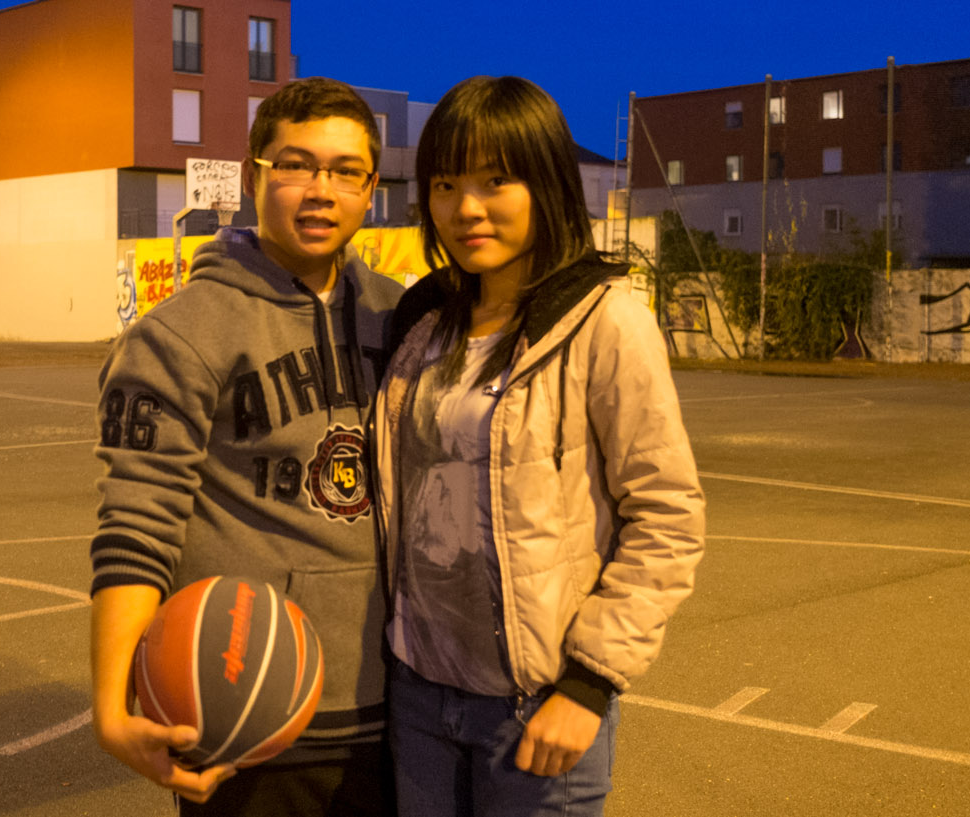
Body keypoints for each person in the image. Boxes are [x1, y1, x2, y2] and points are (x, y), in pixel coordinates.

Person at [372, 75, 706, 816]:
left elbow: (667, 516)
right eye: (446, 183)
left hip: (535, 707)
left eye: (496, 180)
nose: (467, 207)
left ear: (546, 182)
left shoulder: (603, 321)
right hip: (419, 694)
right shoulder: (422, 326)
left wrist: (589, 685)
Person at [88, 77, 404, 815]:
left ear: (369, 190)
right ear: (254, 172)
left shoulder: (403, 318)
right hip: (253, 711)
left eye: (344, 170)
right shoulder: (178, 336)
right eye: (295, 164)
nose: (320, 190)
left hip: (405, 706)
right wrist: (111, 704)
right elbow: (136, 525)